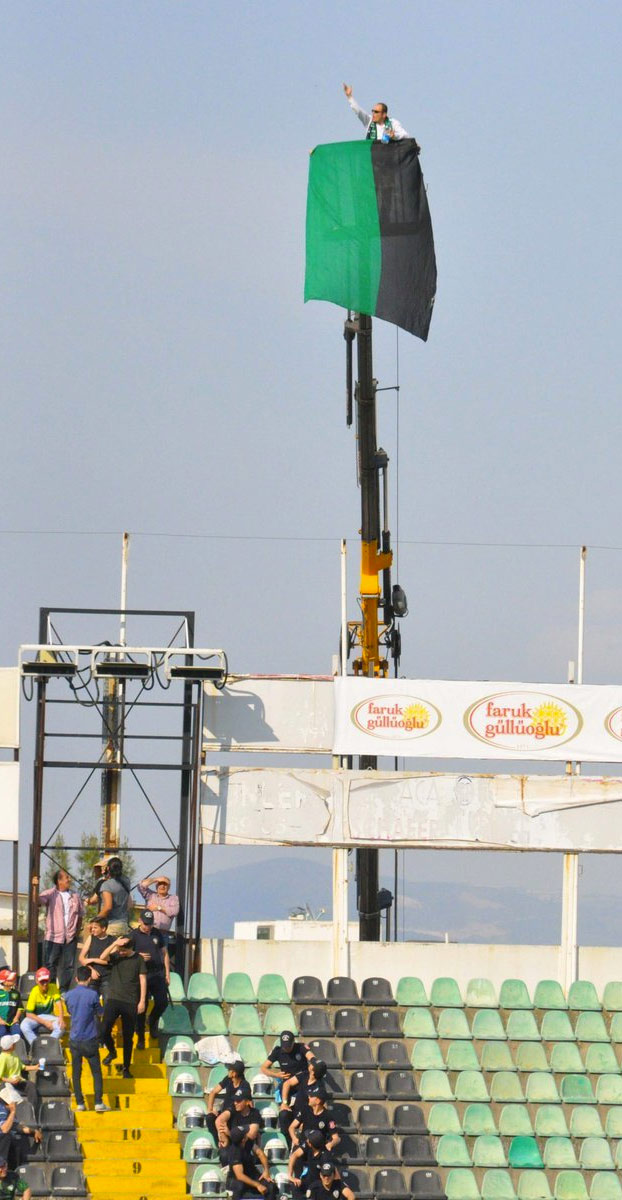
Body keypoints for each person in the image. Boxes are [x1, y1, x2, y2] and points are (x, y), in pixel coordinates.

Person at [98, 934, 147, 1078]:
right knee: (104, 1029)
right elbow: (102, 957)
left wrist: (142, 1000)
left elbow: (143, 980)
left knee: (128, 1036)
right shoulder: (116, 956)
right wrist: (115, 943)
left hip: (130, 1001)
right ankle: (112, 1052)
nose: (121, 952)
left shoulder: (138, 959)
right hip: (114, 998)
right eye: (120, 950)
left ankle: (126, 1067)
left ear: (130, 948)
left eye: (123, 950)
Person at [65, 965, 109, 1113]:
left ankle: (80, 1103)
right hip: (89, 1038)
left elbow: (70, 1011)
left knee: (76, 1072)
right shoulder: (93, 995)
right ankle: (98, 1102)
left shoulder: (69, 995)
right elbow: (100, 1012)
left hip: (74, 1038)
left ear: (76, 978)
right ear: (90, 979)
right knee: (96, 1072)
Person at [36, 869, 84, 991]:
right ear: (59, 881)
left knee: (69, 965)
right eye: (66, 877)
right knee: (50, 964)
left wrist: (76, 931)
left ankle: (63, 991)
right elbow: (37, 901)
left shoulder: (75, 896)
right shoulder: (51, 893)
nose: (69, 879)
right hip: (53, 936)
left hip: (70, 937)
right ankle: (50, 989)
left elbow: (80, 915)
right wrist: (34, 887)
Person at [131, 909, 169, 1048]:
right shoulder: (133, 935)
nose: (148, 927)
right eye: (146, 924)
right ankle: (140, 1036)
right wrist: (138, 955)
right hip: (141, 973)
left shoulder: (156, 933)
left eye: (150, 924)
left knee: (162, 1002)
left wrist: (167, 973)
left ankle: (152, 1020)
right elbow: (125, 952)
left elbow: (164, 953)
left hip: (157, 973)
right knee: (142, 1005)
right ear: (140, 921)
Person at [342, 83, 414, 146]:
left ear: (384, 114)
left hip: (388, 156)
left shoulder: (393, 123)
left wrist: (394, 136)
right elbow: (358, 111)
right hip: (373, 157)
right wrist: (349, 97)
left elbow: (405, 135)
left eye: (376, 112)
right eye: (372, 111)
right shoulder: (369, 121)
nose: (373, 114)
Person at [220, 1125, 274, 1200]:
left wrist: (266, 1171)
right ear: (243, 1139)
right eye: (245, 1133)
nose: (247, 1133)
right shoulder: (235, 1152)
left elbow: (260, 1154)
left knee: (270, 1186)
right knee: (239, 1186)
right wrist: (257, 1185)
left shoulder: (248, 1142)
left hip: (251, 1174)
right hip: (235, 1179)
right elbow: (239, 1175)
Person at [20, 969, 65, 1047]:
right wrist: (45, 1022)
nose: (44, 984)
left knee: (61, 1027)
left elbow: (59, 1004)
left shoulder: (53, 987)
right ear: (37, 981)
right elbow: (29, 1014)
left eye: (46, 981)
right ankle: (37, 1046)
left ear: (49, 980)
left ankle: (48, 1046)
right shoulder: (34, 991)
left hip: (49, 1016)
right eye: (42, 981)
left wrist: (61, 1018)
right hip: (36, 1017)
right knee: (23, 1026)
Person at [206, 1060, 246, 1143]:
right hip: (224, 1112)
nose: (228, 1071)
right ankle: (219, 1143)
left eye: (230, 1070)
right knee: (210, 1117)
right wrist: (210, 1109)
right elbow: (213, 1092)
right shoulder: (228, 1079)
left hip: (235, 1116)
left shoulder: (244, 1085)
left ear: (234, 1073)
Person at [78, 916, 115, 996]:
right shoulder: (91, 938)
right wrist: (91, 970)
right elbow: (81, 958)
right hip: (92, 977)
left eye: (95, 927)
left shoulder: (112, 940)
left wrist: (93, 960)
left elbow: (108, 961)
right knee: (90, 1002)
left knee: (107, 1003)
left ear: (103, 928)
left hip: (107, 977)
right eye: (92, 927)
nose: (92, 930)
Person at [137, 875, 179, 942]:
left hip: (162, 934)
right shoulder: (151, 895)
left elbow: (174, 912)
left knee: (162, 952)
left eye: (165, 884)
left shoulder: (173, 898)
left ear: (169, 887)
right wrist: (156, 879)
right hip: (148, 932)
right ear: (156, 886)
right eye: (160, 884)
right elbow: (141, 886)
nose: (162, 886)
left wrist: (158, 908)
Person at [98, 856, 132, 936]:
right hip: (124, 923)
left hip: (111, 925)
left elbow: (108, 907)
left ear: (108, 869)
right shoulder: (126, 881)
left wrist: (96, 919)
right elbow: (129, 904)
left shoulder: (107, 885)